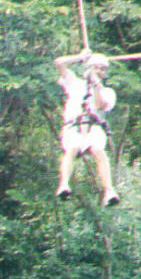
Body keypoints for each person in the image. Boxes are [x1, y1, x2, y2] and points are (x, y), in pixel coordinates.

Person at [55, 49, 119, 206]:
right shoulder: (74, 83)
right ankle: (64, 184)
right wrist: (79, 57)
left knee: (98, 151)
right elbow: (59, 63)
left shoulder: (108, 92)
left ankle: (109, 190)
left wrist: (96, 84)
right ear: (89, 68)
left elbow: (100, 104)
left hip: (93, 127)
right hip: (74, 126)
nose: (100, 71)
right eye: (97, 68)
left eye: (103, 69)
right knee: (72, 148)